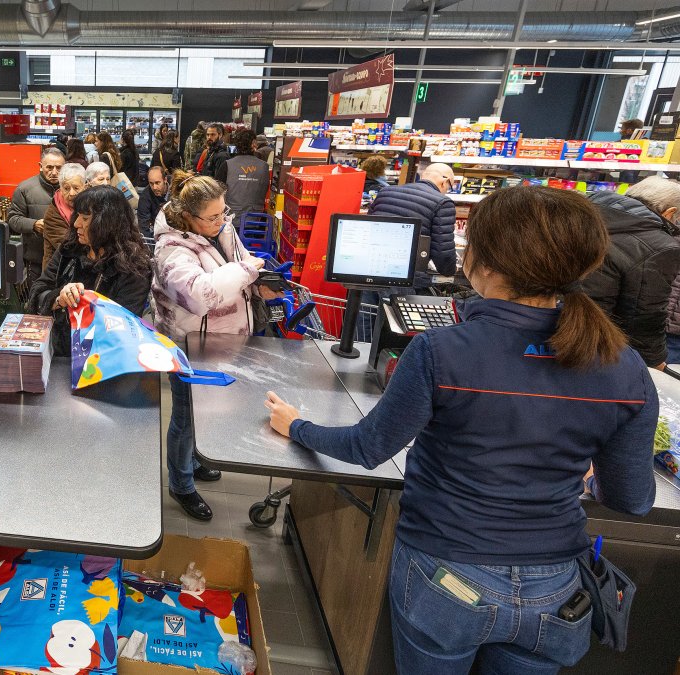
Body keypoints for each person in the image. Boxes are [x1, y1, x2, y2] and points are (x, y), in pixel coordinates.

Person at [264, 186, 656, 675]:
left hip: (449, 578)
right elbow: (632, 500)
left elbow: (367, 447)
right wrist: (585, 477)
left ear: (485, 265)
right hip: (555, 589)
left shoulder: (441, 351)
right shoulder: (625, 365)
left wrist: (297, 425)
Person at [153, 171, 274, 521]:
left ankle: (193, 461)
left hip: (217, 342)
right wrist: (247, 271)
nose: (222, 221)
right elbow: (200, 295)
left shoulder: (220, 228)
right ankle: (181, 484)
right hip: (187, 345)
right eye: (213, 216)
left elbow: (239, 265)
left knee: (201, 414)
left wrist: (259, 283)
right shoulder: (170, 250)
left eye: (224, 212)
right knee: (185, 416)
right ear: (187, 216)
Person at [28, 185, 153, 355]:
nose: (76, 223)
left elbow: (123, 329)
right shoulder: (70, 249)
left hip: (99, 360)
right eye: (77, 215)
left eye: (85, 218)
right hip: (55, 351)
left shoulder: (134, 268)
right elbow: (38, 290)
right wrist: (58, 298)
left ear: (108, 223)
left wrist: (86, 302)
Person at [579, 176, 680, 369]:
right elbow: (644, 315)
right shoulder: (659, 244)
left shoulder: (582, 212)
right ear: (670, 212)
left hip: (545, 321)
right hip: (598, 342)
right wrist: (654, 361)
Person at [368, 162, 458, 292]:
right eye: (449, 187)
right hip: (403, 276)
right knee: (397, 305)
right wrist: (449, 271)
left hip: (370, 268)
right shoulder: (442, 202)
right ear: (445, 182)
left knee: (366, 305)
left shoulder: (385, 191)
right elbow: (443, 251)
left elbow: (369, 225)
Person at [8, 146, 65, 284]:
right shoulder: (24, 189)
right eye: (49, 167)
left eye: (59, 168)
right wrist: (33, 224)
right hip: (36, 260)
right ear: (40, 166)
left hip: (65, 259)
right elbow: (13, 219)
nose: (54, 172)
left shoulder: (71, 189)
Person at [216, 129, 270, 227]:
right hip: (256, 220)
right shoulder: (264, 166)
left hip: (231, 219)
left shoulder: (227, 165)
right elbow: (265, 190)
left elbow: (217, 191)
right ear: (254, 143)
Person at [42, 163, 87, 268]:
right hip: (58, 270)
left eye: (76, 188)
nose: (71, 193)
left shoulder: (88, 206)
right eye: (66, 188)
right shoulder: (53, 214)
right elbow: (68, 246)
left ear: (84, 187)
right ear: (60, 188)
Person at [137, 166, 169, 239]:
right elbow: (143, 225)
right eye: (151, 183)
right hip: (158, 232)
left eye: (157, 183)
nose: (154, 187)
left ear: (165, 180)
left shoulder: (176, 188)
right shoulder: (145, 196)